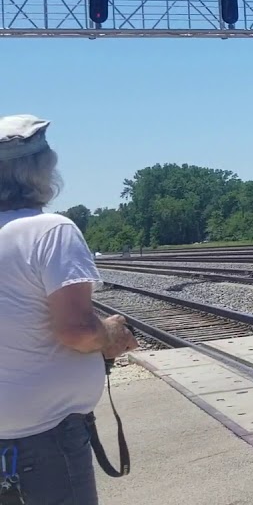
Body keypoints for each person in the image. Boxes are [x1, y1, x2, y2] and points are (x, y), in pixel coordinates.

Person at [0, 114, 138, 505]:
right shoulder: (49, 230)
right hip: (42, 436)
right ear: (42, 169)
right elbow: (78, 331)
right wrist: (110, 334)